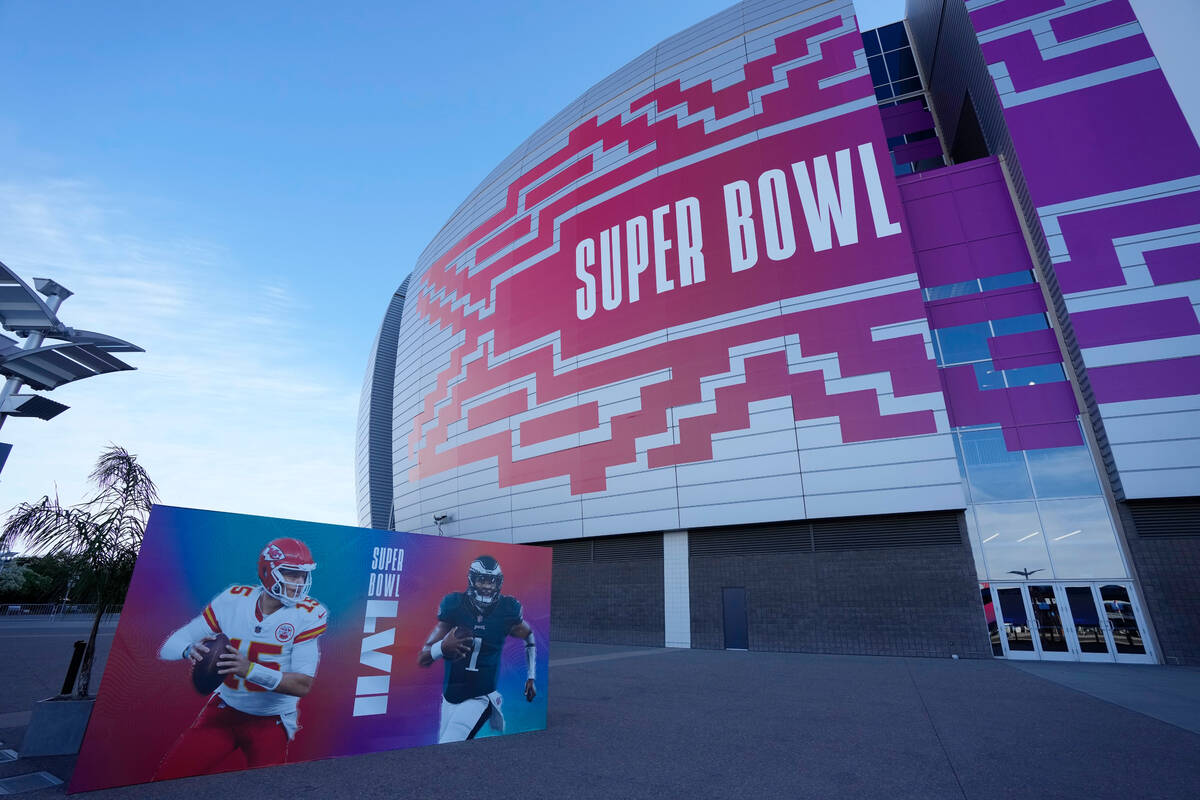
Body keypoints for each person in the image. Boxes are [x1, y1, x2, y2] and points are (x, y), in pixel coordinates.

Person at [154, 537, 327, 779]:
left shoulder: (308, 615)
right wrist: (188, 649)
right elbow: (168, 646)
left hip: (271, 720)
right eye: (291, 574)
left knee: (267, 790)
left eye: (303, 575)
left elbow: (302, 684)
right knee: (166, 779)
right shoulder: (234, 600)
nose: (299, 583)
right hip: (225, 710)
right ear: (268, 572)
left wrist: (250, 669)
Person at [418, 555, 536, 743]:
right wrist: (442, 647)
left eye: (492, 581)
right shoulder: (454, 605)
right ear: (472, 579)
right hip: (450, 695)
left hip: (480, 695)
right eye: (482, 579)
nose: (488, 586)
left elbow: (529, 637)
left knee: (449, 741)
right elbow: (423, 658)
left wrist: (531, 676)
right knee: (443, 742)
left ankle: (492, 703)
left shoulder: (507, 610)